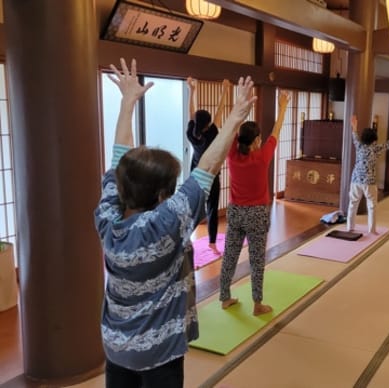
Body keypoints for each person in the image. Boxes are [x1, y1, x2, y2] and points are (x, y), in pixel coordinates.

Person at [94, 58, 256, 387]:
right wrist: (237, 115)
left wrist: (127, 104)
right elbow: (207, 168)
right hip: (159, 352)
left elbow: (117, 160)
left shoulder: (107, 219)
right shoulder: (164, 224)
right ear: (161, 195)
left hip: (115, 346)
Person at [219, 90, 290, 315]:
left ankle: (225, 297)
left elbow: (229, 127)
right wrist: (283, 105)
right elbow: (276, 131)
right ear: (257, 140)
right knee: (256, 258)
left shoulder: (232, 155)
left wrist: (239, 106)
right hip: (257, 214)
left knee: (230, 254)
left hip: (235, 212)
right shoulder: (262, 157)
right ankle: (258, 303)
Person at [186, 77, 230, 255]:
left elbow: (191, 114)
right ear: (208, 124)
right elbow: (219, 112)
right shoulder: (212, 133)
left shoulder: (191, 133)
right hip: (211, 177)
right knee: (212, 209)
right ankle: (212, 243)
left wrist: (191, 90)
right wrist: (225, 90)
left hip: (195, 177)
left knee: (193, 208)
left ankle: (186, 237)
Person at [347, 115, 389, 234]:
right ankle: (372, 230)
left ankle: (350, 227)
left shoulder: (359, 146)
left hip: (355, 180)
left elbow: (354, 134)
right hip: (369, 182)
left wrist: (354, 125)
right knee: (372, 206)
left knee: (352, 204)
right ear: (373, 140)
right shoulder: (376, 149)